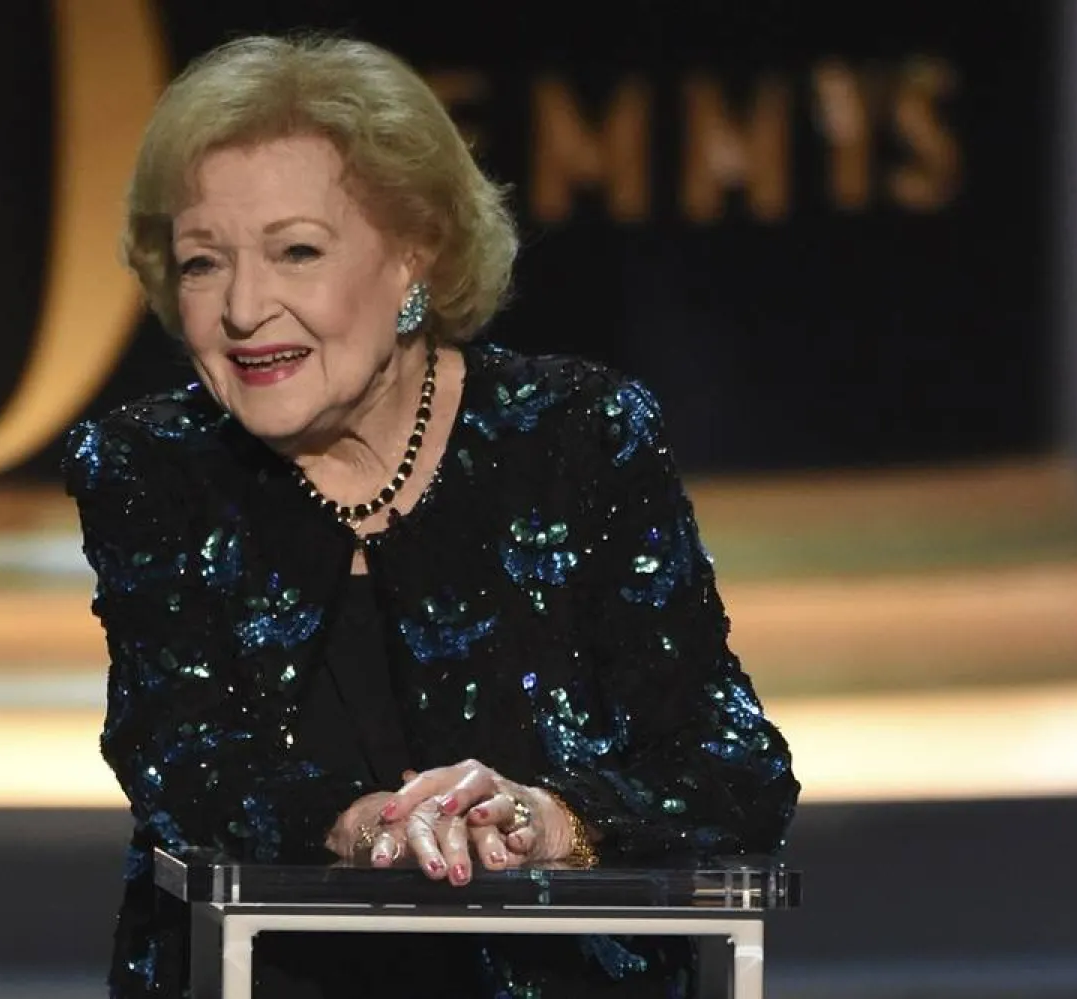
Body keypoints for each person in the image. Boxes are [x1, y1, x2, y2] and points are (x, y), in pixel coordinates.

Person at [64, 33, 799, 999]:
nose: (243, 307)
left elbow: (730, 767)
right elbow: (184, 760)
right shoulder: (155, 467)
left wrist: (550, 819)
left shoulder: (577, 439)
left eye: (296, 251)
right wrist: (366, 824)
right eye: (203, 262)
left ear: (415, 252)